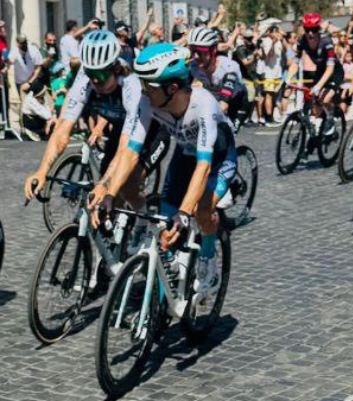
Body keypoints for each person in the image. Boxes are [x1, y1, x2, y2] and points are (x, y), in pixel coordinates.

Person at [87, 43, 236, 314]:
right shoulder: (149, 101)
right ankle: (171, 277)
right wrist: (110, 193)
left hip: (217, 158)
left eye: (149, 85)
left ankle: (208, 258)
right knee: (165, 222)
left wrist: (184, 213)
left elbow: (203, 168)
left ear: (172, 88)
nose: (142, 91)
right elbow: (131, 152)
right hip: (185, 153)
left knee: (201, 208)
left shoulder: (203, 104)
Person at [23, 31, 145, 209]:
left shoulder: (130, 85)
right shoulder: (85, 76)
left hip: (146, 129)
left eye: (101, 75)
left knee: (127, 186)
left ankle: (144, 224)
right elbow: (63, 129)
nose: (95, 80)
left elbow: (126, 148)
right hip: (118, 125)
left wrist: (105, 185)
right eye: (90, 73)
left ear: (116, 68)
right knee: (105, 196)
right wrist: (42, 170)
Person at [187, 26, 247, 125]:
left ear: (213, 50)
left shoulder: (228, 67)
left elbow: (224, 106)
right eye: (193, 51)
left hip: (236, 103)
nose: (196, 56)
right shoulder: (193, 66)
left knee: (226, 133)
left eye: (200, 51)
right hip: (215, 98)